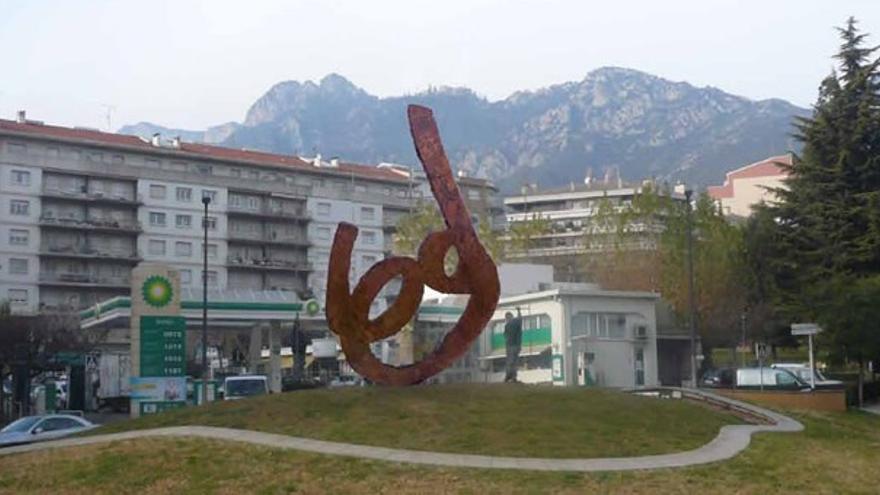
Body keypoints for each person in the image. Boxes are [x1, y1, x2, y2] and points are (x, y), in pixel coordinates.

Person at [503, 307, 523, 383]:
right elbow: (520, 318)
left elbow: (505, 336)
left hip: (510, 346)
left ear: (507, 318)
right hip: (517, 345)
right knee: (515, 362)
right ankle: (514, 377)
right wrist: (519, 311)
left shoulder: (507, 325)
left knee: (510, 362)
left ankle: (508, 376)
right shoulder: (516, 322)